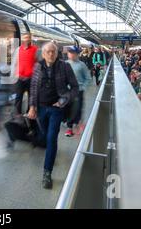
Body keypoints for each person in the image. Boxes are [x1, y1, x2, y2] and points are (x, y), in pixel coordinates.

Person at [27, 42, 79, 189]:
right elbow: (33, 87)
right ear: (43, 54)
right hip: (41, 109)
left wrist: (63, 100)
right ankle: (46, 146)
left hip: (57, 108)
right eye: (48, 52)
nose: (51, 54)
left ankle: (47, 172)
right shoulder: (38, 67)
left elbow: (75, 87)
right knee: (44, 135)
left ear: (57, 53)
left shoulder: (65, 66)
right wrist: (32, 106)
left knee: (51, 138)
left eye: (53, 52)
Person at [65, 46, 91, 137]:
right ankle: (69, 127)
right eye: (69, 52)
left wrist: (83, 87)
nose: (71, 54)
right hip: (68, 91)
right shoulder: (65, 64)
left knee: (77, 108)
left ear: (77, 54)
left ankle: (76, 124)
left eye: (72, 53)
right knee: (69, 108)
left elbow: (88, 78)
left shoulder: (81, 65)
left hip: (78, 91)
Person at [14, 33, 38, 120]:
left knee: (31, 96)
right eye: (25, 38)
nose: (27, 39)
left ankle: (29, 112)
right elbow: (15, 62)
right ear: (22, 39)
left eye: (28, 38)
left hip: (31, 78)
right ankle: (17, 113)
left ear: (30, 39)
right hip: (20, 77)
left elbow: (38, 62)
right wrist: (15, 73)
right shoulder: (18, 49)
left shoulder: (35, 49)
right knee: (18, 96)